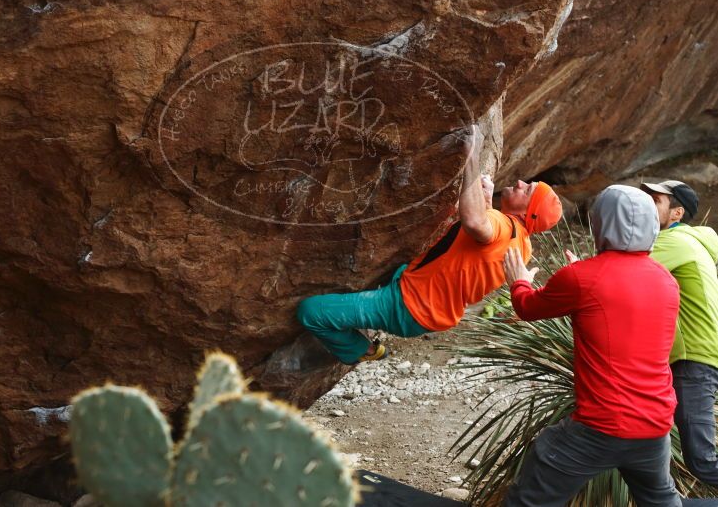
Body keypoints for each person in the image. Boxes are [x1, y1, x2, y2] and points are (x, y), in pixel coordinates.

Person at [296, 124, 563, 364]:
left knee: (312, 312)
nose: (519, 182)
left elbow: (474, 222)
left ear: (528, 214)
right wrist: (484, 199)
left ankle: (361, 350)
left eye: (527, 190)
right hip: (425, 308)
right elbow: (480, 242)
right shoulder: (522, 244)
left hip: (406, 305)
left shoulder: (504, 228)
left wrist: (472, 155)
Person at [501, 185, 681, 506]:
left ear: (599, 223)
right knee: (661, 499)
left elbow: (527, 307)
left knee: (532, 490)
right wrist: (586, 272)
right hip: (655, 426)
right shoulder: (666, 281)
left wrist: (519, 279)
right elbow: (621, 299)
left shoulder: (582, 278)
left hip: (600, 427)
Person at [641, 180, 718, 485]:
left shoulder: (672, 243)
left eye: (655, 200)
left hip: (693, 358)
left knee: (702, 459)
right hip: (701, 353)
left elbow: (620, 271)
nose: (646, 203)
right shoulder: (693, 241)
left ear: (676, 213)